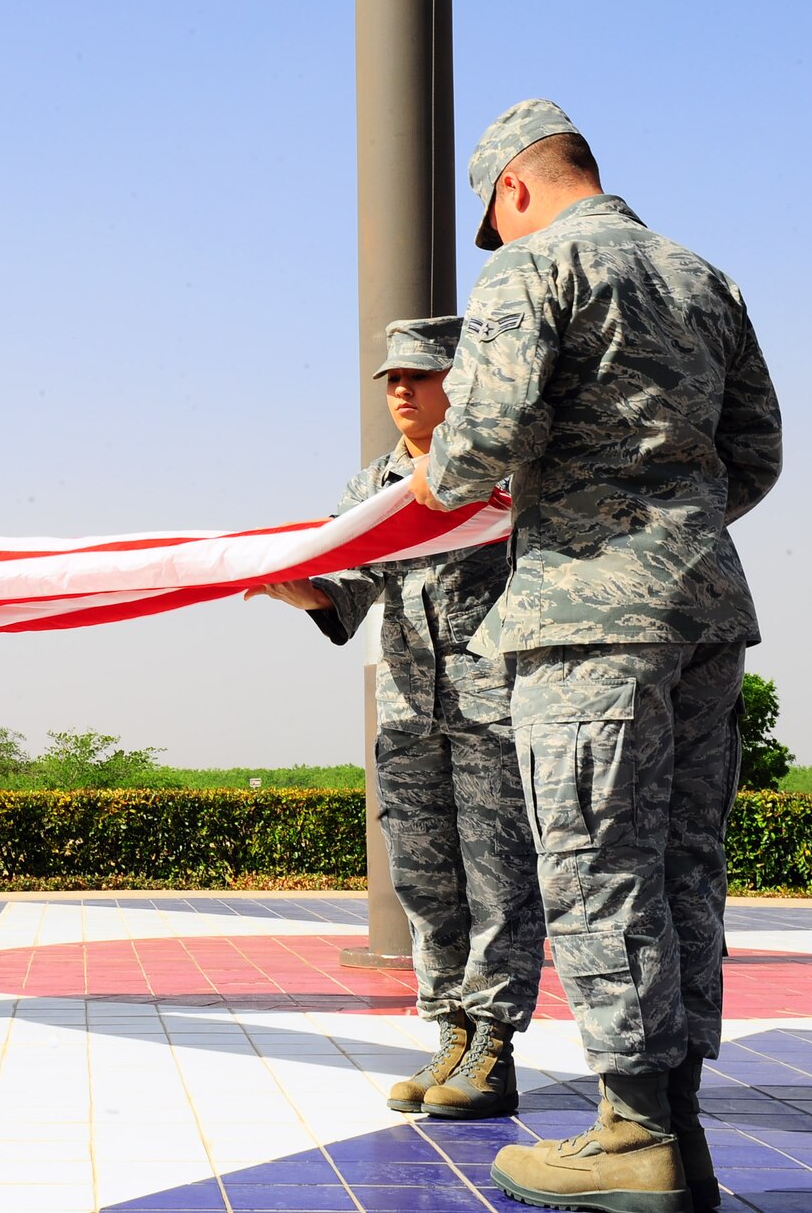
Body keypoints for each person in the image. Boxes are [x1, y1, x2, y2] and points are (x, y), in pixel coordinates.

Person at [410, 101, 783, 1213]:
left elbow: (480, 435)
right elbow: (755, 454)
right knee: (681, 872)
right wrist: (669, 522)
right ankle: (677, 1125)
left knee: (594, 864)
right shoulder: (700, 278)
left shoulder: (532, 272)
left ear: (511, 189)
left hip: (584, 622)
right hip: (702, 614)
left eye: (495, 217)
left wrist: (435, 489)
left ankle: (630, 1132)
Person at [250, 316, 543, 1121]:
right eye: (391, 377)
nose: (401, 389)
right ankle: (450, 1031)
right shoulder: (373, 486)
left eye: (419, 374)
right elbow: (348, 587)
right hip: (410, 708)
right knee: (425, 880)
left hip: (491, 705)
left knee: (499, 879)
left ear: (460, 380)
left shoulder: (507, 472)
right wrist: (301, 588)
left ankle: (493, 1043)